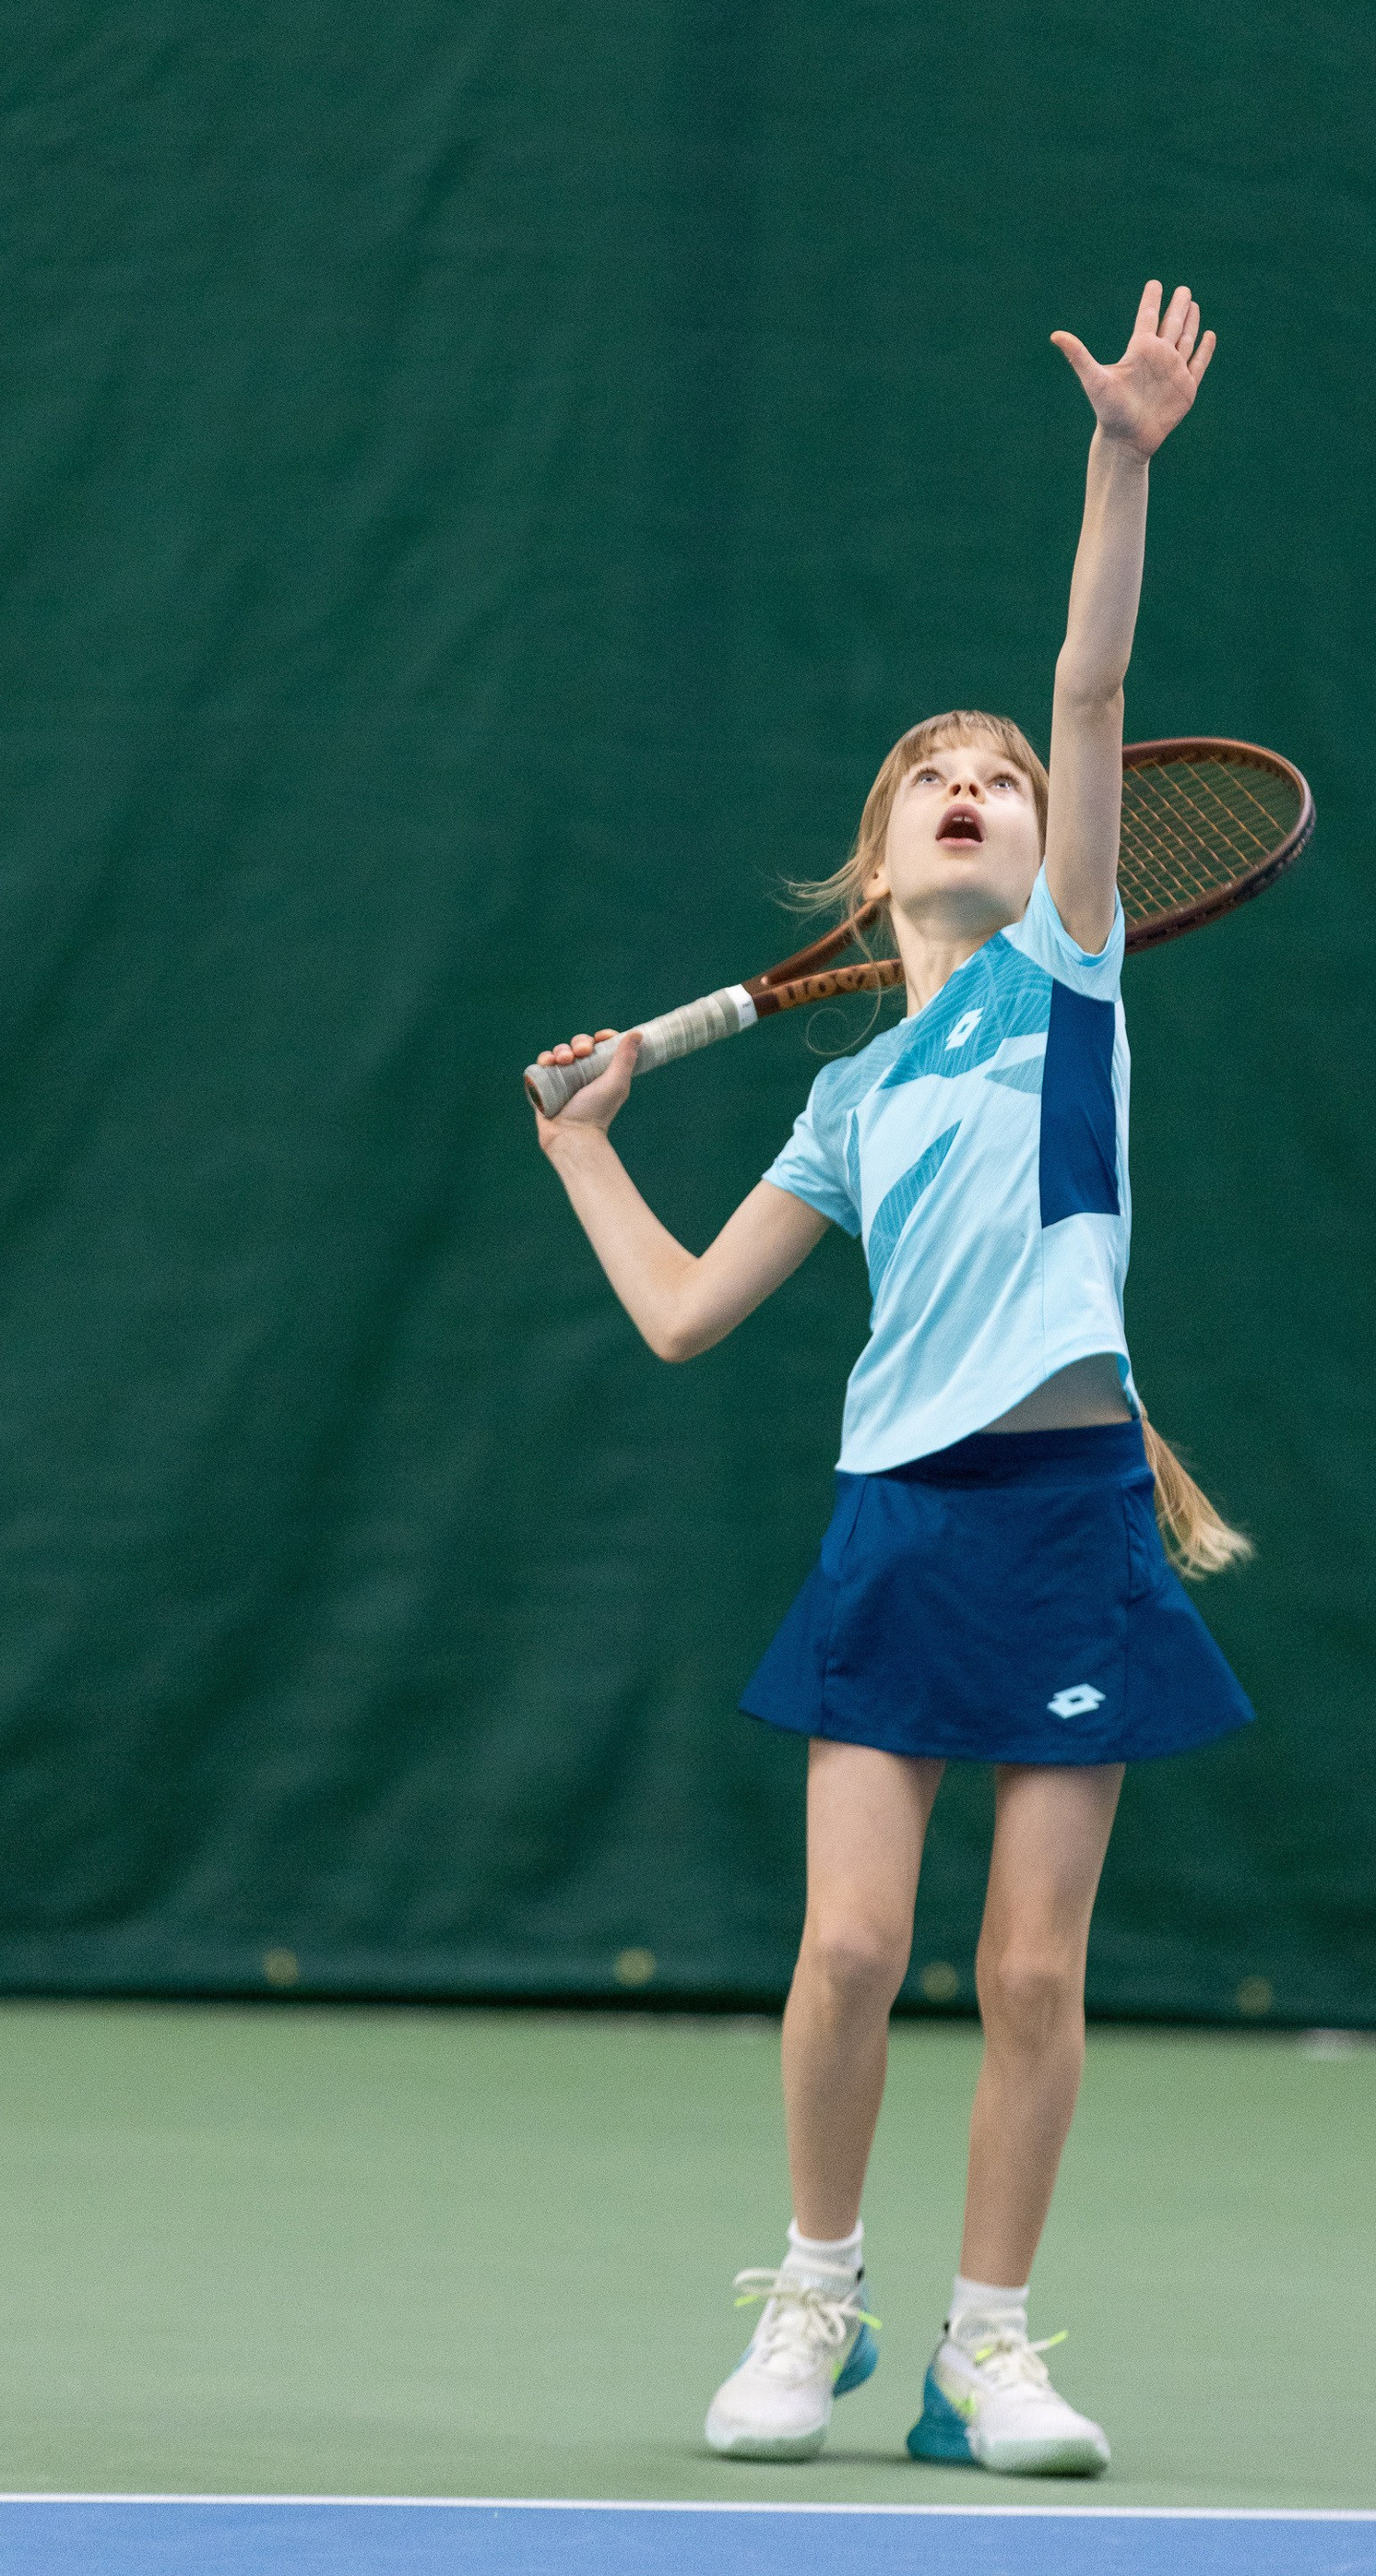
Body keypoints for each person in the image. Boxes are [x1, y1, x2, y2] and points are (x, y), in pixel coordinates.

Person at [529, 282, 1254, 2479]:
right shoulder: (841, 1097)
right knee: (848, 1948)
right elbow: (679, 1317)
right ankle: (815, 2302)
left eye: (1002, 779)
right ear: (878, 857)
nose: (973, 784)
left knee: (1028, 1976)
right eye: (930, 778)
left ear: (1056, 850)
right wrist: (583, 1136)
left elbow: (1091, 673)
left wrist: (1119, 458)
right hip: (898, 1525)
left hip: (1071, 1528)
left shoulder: (1069, 977)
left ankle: (987, 2347)